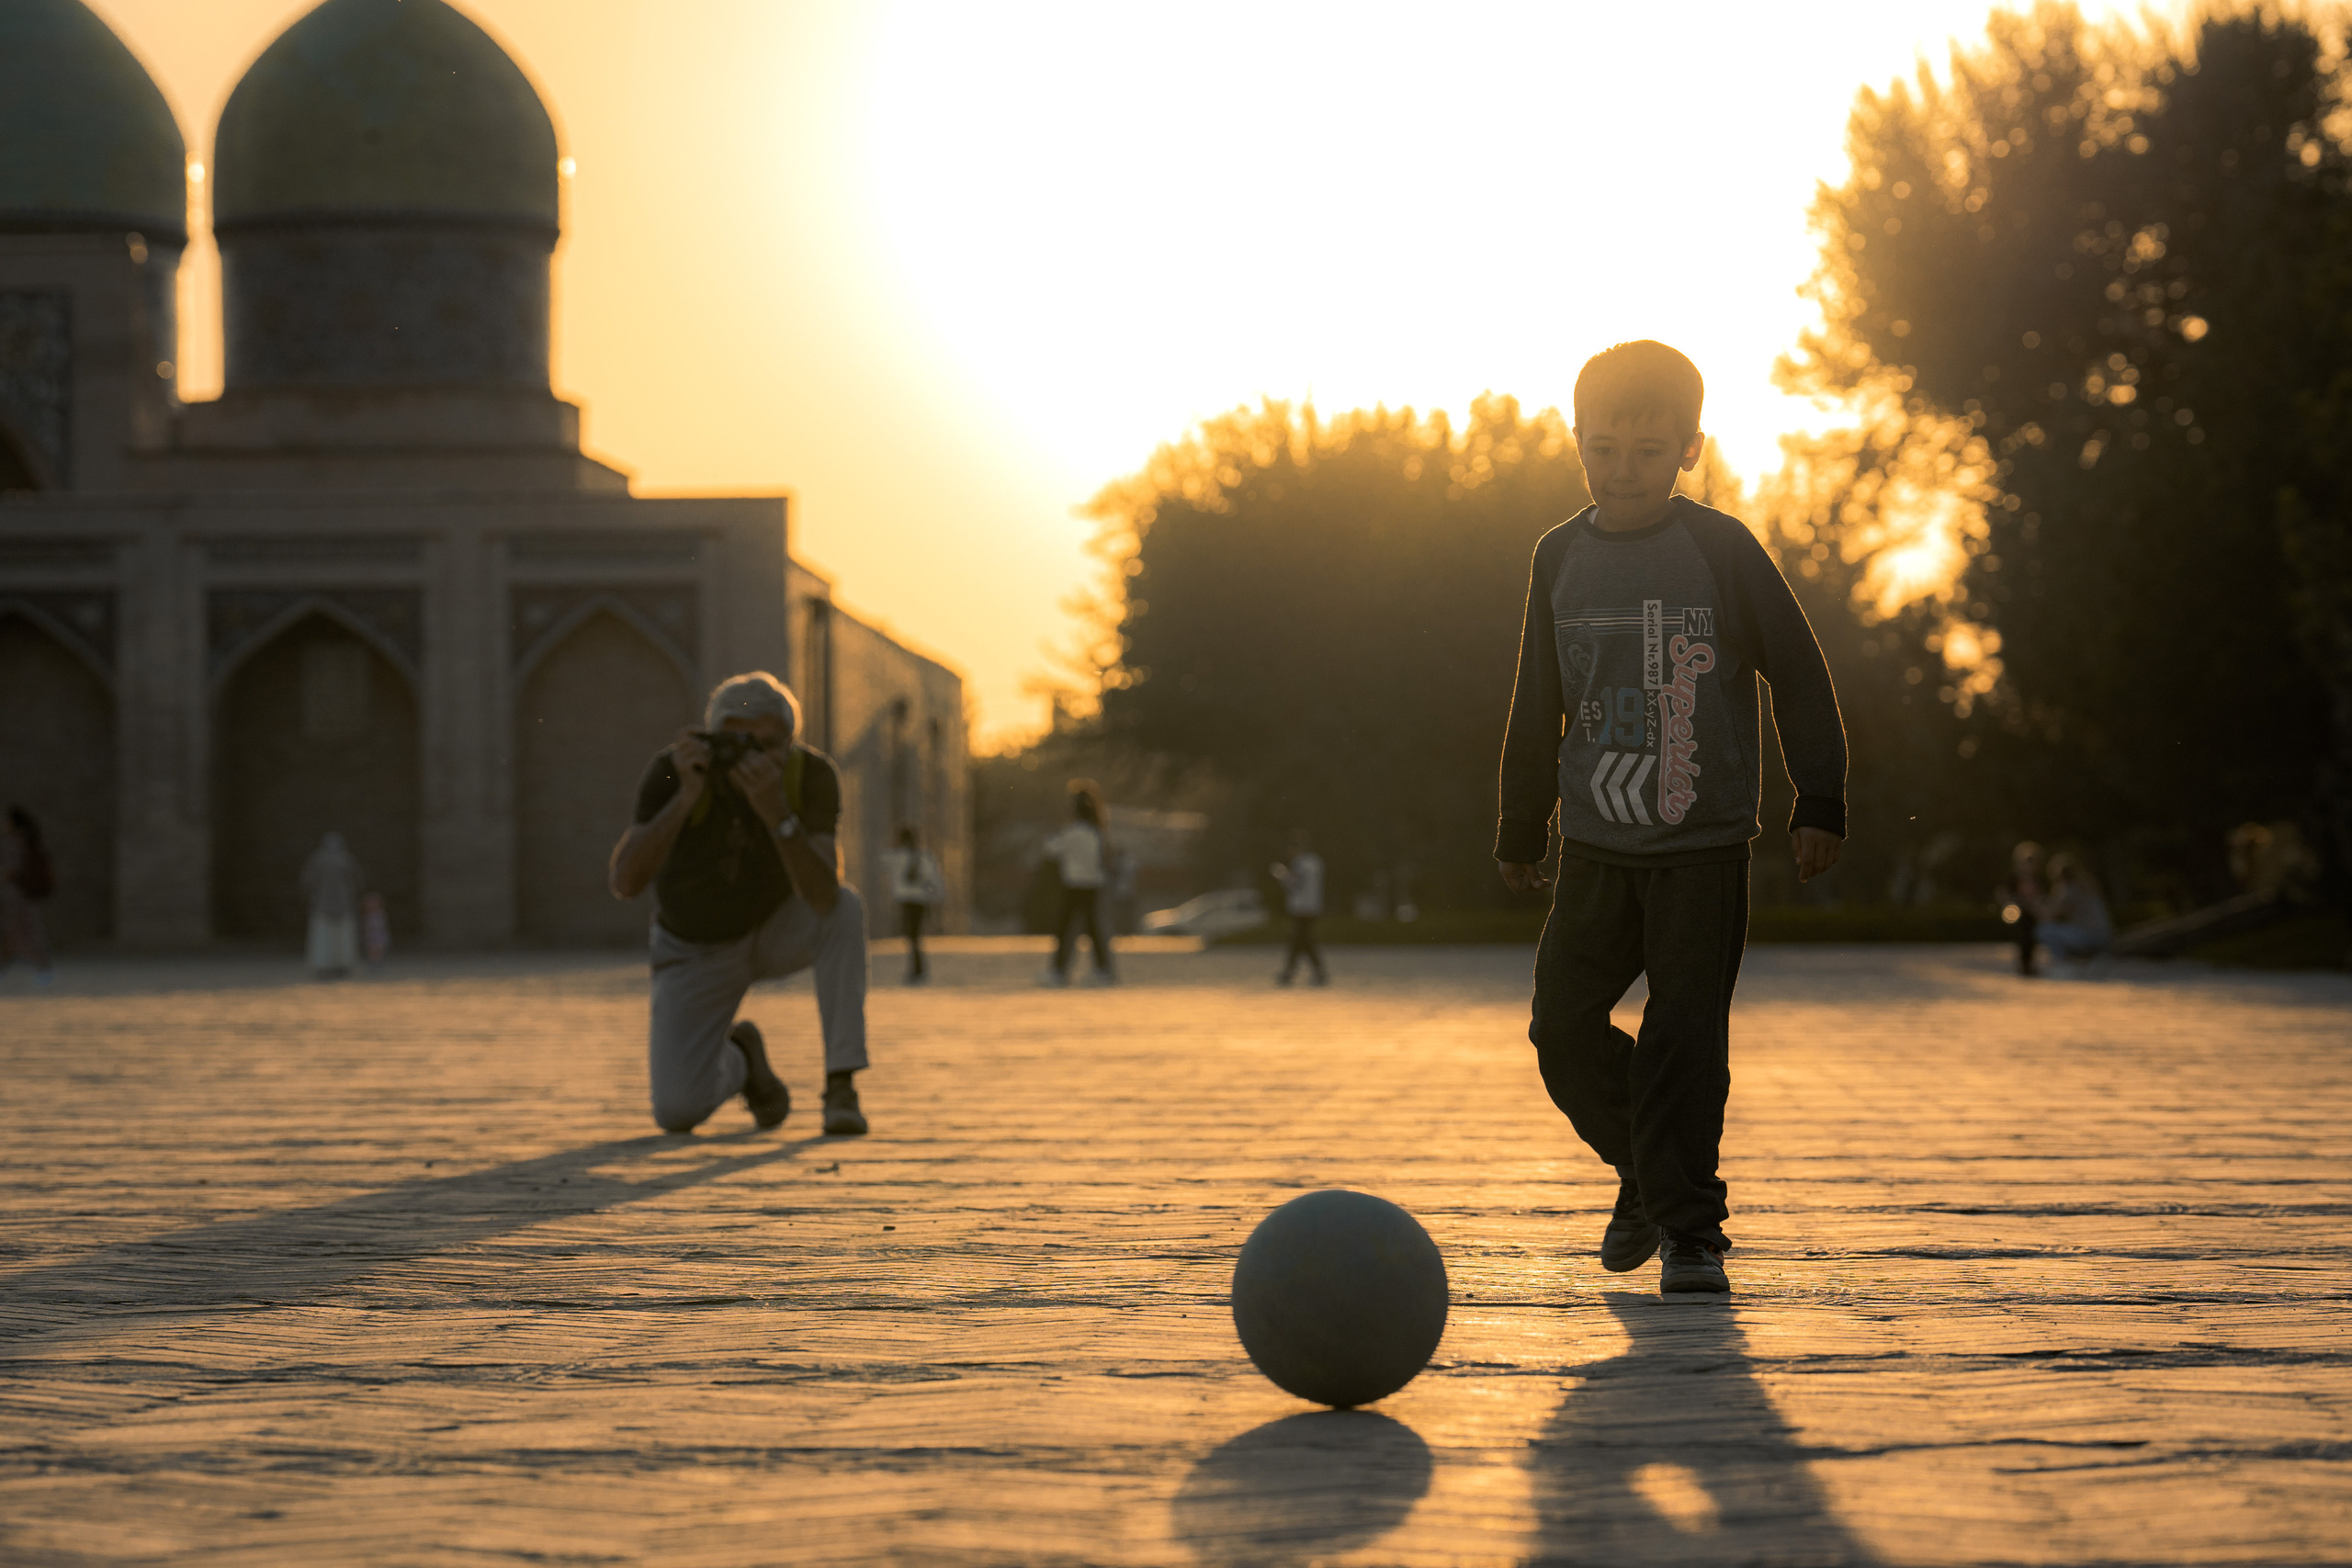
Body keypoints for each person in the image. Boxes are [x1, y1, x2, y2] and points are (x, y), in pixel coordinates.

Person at [1494, 341, 1847, 1298]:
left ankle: (1690, 1232)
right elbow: (1538, 697)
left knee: (1684, 1039)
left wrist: (1819, 797)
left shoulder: (1719, 550)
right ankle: (1648, 1176)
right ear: (1576, 442)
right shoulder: (1557, 556)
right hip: (1597, 848)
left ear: (1690, 449)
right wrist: (1522, 825)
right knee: (1560, 1031)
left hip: (1700, 848)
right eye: (1602, 447)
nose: (1622, 469)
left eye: (1647, 450)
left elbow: (1799, 672)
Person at [608, 671, 870, 1135]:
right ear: (710, 739)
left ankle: (841, 1083)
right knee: (677, 1110)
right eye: (735, 743)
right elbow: (625, 882)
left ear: (789, 742)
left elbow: (823, 895)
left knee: (845, 910)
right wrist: (685, 798)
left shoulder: (809, 775)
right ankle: (743, 1062)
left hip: (775, 931)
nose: (750, 755)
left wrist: (776, 813)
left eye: (767, 744)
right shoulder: (674, 769)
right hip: (696, 947)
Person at [1039, 780, 1114, 986]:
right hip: (1094, 884)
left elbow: (1051, 850)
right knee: (1094, 928)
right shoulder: (1097, 832)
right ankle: (1103, 970)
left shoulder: (1072, 832)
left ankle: (1058, 971)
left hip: (1074, 885)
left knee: (1065, 929)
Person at [1, 805, 56, 987]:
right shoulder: (27, 840)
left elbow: (13, 870)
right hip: (22, 896)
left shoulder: (16, 842)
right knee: (15, 934)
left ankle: (44, 969)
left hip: (19, 896)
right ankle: (43, 969)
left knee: (20, 933)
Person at [884, 825, 944, 985]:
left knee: (912, 936)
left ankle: (917, 969)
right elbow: (934, 879)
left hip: (907, 900)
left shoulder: (898, 856)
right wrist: (936, 898)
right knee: (914, 935)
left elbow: (881, 861)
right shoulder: (923, 856)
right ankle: (918, 968)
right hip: (920, 900)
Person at [300, 832, 363, 979]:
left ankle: (333, 965)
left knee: (333, 936)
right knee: (330, 935)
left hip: (336, 904)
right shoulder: (337, 859)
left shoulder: (337, 859)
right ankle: (331, 965)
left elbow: (307, 881)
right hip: (330, 904)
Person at [1271, 829, 1328, 987]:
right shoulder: (1316, 862)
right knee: (1302, 941)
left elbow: (1295, 884)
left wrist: (1281, 875)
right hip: (1313, 907)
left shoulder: (1300, 863)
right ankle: (1296, 973)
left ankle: (1291, 974)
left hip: (1301, 908)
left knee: (1301, 941)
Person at [2037, 853, 2112, 963]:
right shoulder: (2087, 885)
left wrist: (2034, 901)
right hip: (2104, 935)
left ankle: (2061, 961)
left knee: (2043, 930)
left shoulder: (2069, 890)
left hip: (2091, 937)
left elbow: (2048, 916)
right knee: (2061, 930)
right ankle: (2076, 958)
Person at [2000, 840, 2046, 976]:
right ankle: (2024, 966)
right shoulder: (2013, 877)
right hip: (2019, 912)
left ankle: (2030, 965)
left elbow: (2041, 895)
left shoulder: (2037, 878)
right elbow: (2003, 894)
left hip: (2033, 911)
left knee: (2032, 937)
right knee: (2024, 935)